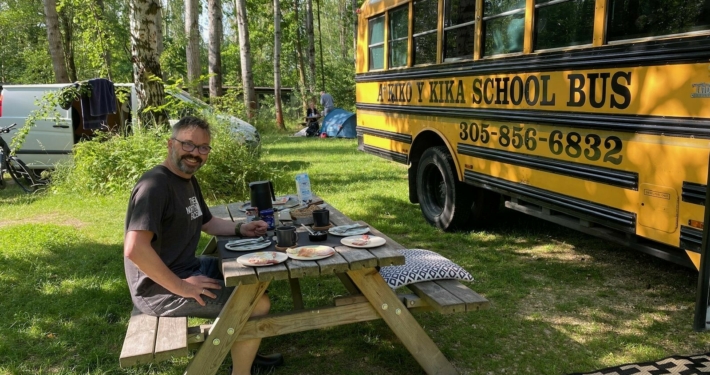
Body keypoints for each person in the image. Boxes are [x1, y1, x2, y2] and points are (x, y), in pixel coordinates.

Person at [123, 116, 282, 375]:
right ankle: (241, 371)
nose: (195, 154)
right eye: (188, 145)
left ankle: (246, 351)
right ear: (170, 144)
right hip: (159, 291)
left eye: (203, 148)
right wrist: (183, 287)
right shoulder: (154, 186)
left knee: (250, 276)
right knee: (258, 303)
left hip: (188, 268)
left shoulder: (186, 180)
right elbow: (135, 249)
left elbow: (207, 223)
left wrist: (242, 228)